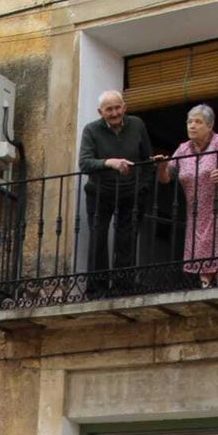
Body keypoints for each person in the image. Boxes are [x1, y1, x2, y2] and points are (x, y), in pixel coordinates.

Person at [153, 104, 218, 288]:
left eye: (198, 122)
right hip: (196, 208)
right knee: (199, 239)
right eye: (189, 122)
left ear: (210, 125)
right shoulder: (183, 149)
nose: (192, 125)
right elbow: (165, 178)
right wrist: (161, 166)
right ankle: (205, 283)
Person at [77, 90, 154, 295]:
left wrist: (143, 186)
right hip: (99, 193)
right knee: (98, 238)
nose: (114, 113)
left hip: (131, 192)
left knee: (127, 238)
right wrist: (109, 163)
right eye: (109, 109)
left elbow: (147, 158)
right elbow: (84, 163)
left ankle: (124, 286)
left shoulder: (137, 124)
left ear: (125, 107)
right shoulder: (91, 130)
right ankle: (97, 289)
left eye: (118, 108)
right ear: (100, 112)